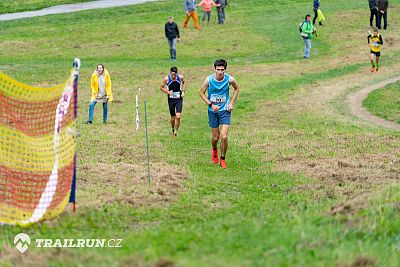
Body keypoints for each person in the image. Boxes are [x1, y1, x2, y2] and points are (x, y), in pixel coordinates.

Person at [199, 59, 239, 169]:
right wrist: (211, 104)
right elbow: (201, 93)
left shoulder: (230, 79)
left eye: (222, 70)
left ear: (225, 69)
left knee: (224, 136)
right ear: (214, 69)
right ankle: (214, 150)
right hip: (213, 111)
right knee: (216, 137)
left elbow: (236, 89)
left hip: (225, 110)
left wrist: (231, 103)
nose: (220, 72)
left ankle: (223, 159)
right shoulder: (209, 79)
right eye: (218, 70)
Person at [160, 66, 186, 137]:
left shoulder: (180, 77)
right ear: (170, 73)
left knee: (178, 116)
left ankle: (176, 131)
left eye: (175, 75)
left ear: (177, 74)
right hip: (171, 99)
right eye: (172, 75)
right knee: (172, 118)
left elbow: (184, 83)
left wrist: (183, 91)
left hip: (179, 98)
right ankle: (172, 129)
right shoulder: (166, 79)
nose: (173, 76)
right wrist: (168, 92)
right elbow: (161, 87)